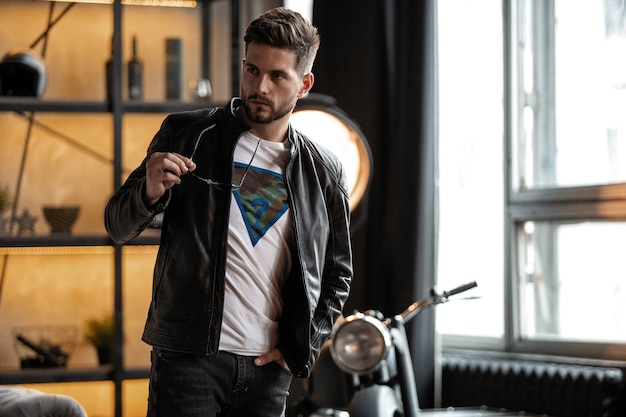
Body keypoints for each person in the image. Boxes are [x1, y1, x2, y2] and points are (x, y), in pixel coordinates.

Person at [104, 7, 353, 417]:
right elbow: (117, 227)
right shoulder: (187, 134)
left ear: (304, 84)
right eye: (252, 71)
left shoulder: (323, 170)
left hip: (268, 373)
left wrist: (302, 349)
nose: (261, 86)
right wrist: (147, 192)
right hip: (189, 362)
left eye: (277, 77)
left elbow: (337, 273)